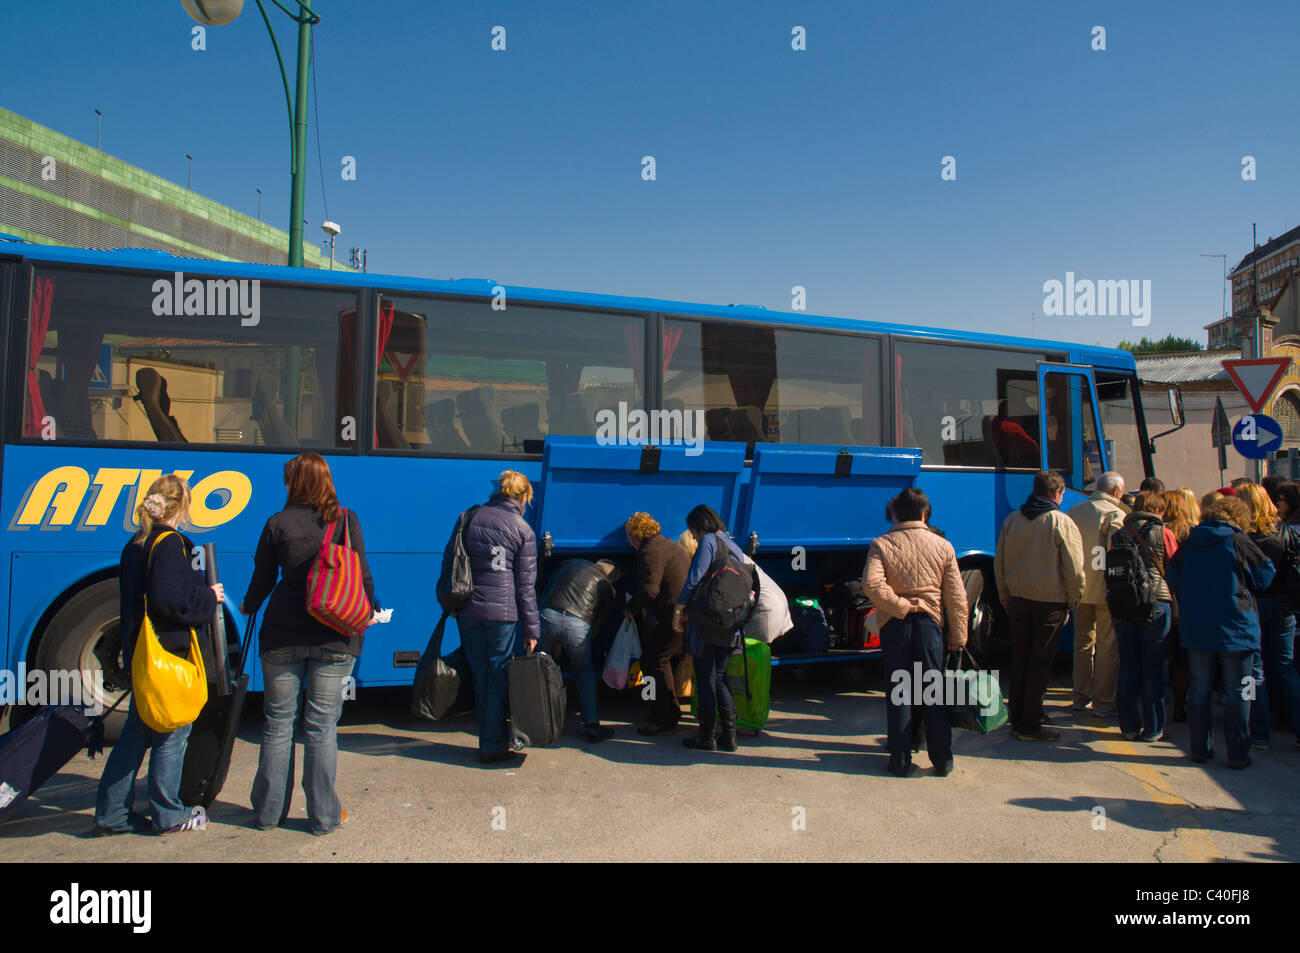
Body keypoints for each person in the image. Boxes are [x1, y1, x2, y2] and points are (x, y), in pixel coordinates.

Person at [241, 453, 377, 834]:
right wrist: (370, 610)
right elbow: (363, 576)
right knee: (321, 726)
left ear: (294, 483)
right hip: (335, 634)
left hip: (282, 632)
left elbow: (263, 578)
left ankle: (268, 814)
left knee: (278, 724)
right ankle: (323, 817)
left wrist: (248, 605)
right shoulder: (345, 520)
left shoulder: (277, 523)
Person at [95, 474, 221, 835]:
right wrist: (210, 597)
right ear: (182, 505)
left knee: (136, 734)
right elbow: (172, 602)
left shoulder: (136, 542)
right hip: (168, 651)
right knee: (172, 732)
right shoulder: (170, 543)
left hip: (142, 651)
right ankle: (169, 814)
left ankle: (112, 813)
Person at [863, 488, 968, 777]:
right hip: (931, 625)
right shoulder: (943, 546)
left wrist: (899, 605)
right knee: (933, 693)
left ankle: (900, 760)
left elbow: (871, 585)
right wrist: (958, 637)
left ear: (895, 514)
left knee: (899, 693)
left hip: (896, 625)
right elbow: (956, 597)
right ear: (925, 513)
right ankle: (942, 760)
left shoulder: (881, 544)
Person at [1166, 496, 1273, 769]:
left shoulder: (1190, 542)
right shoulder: (1239, 540)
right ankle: (1238, 752)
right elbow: (1265, 576)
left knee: (1199, 688)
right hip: (1236, 627)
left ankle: (1200, 748)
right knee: (1240, 691)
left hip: (1197, 627)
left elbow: (1172, 578)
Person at [448, 470, 540, 765]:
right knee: (498, 677)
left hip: (469, 610)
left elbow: (451, 560)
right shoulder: (522, 529)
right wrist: (532, 628)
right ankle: (492, 746)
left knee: (481, 675)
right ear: (523, 496)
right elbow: (525, 587)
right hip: (502, 615)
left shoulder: (470, 516)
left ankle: (489, 740)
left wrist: (451, 603)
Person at [994, 470, 1086, 742]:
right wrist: (1073, 599)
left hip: (1019, 602)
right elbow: (1074, 568)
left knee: (1020, 660)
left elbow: (999, 562)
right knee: (1040, 664)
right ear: (1058, 493)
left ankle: (1019, 714)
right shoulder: (1060, 522)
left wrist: (1005, 597)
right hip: (1050, 603)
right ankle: (1030, 725)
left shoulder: (1013, 520)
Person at [675, 504, 749, 752]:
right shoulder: (732, 544)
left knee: (706, 678)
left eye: (692, 532)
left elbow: (695, 576)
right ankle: (729, 736)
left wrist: (679, 607)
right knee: (719, 678)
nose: (693, 537)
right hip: (731, 623)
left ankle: (706, 736)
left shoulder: (708, 540)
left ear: (699, 526)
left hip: (707, 622)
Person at [1237, 483, 1300, 749]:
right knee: (1286, 666)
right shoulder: (1285, 533)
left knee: (1255, 670)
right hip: (1284, 605)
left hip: (1254, 606)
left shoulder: (1242, 537)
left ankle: (1260, 733)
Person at [1112, 491, 1176, 742]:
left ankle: (1128, 725)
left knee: (1127, 665)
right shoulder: (1164, 533)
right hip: (1156, 604)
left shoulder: (1119, 534)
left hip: (1123, 604)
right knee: (1153, 668)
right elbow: (1173, 564)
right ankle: (1153, 727)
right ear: (1158, 510)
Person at [1067, 471, 1129, 717]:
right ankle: (1103, 702)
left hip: (1079, 588)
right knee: (1107, 647)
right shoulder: (1117, 514)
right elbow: (1114, 553)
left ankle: (1080, 696)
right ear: (1116, 492)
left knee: (1082, 643)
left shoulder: (1075, 511)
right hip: (1106, 589)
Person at [539, 558, 619, 742]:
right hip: (578, 625)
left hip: (548, 615)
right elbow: (598, 623)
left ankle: (539, 719)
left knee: (540, 668)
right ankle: (592, 725)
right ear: (611, 578)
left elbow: (547, 590)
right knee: (583, 672)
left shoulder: (570, 563)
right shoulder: (607, 588)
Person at [625, 513, 692, 735]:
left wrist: (630, 609)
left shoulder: (650, 551)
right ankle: (663, 712)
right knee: (657, 660)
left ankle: (665, 717)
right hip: (683, 612)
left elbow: (650, 590)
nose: (628, 542)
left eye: (629, 536)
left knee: (654, 661)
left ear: (637, 535)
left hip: (674, 616)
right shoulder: (668, 546)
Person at [1163, 489, 1199, 721]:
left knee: (1176, 658)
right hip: (1191, 604)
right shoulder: (1192, 534)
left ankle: (1176, 705)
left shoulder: (1164, 532)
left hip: (1169, 602)